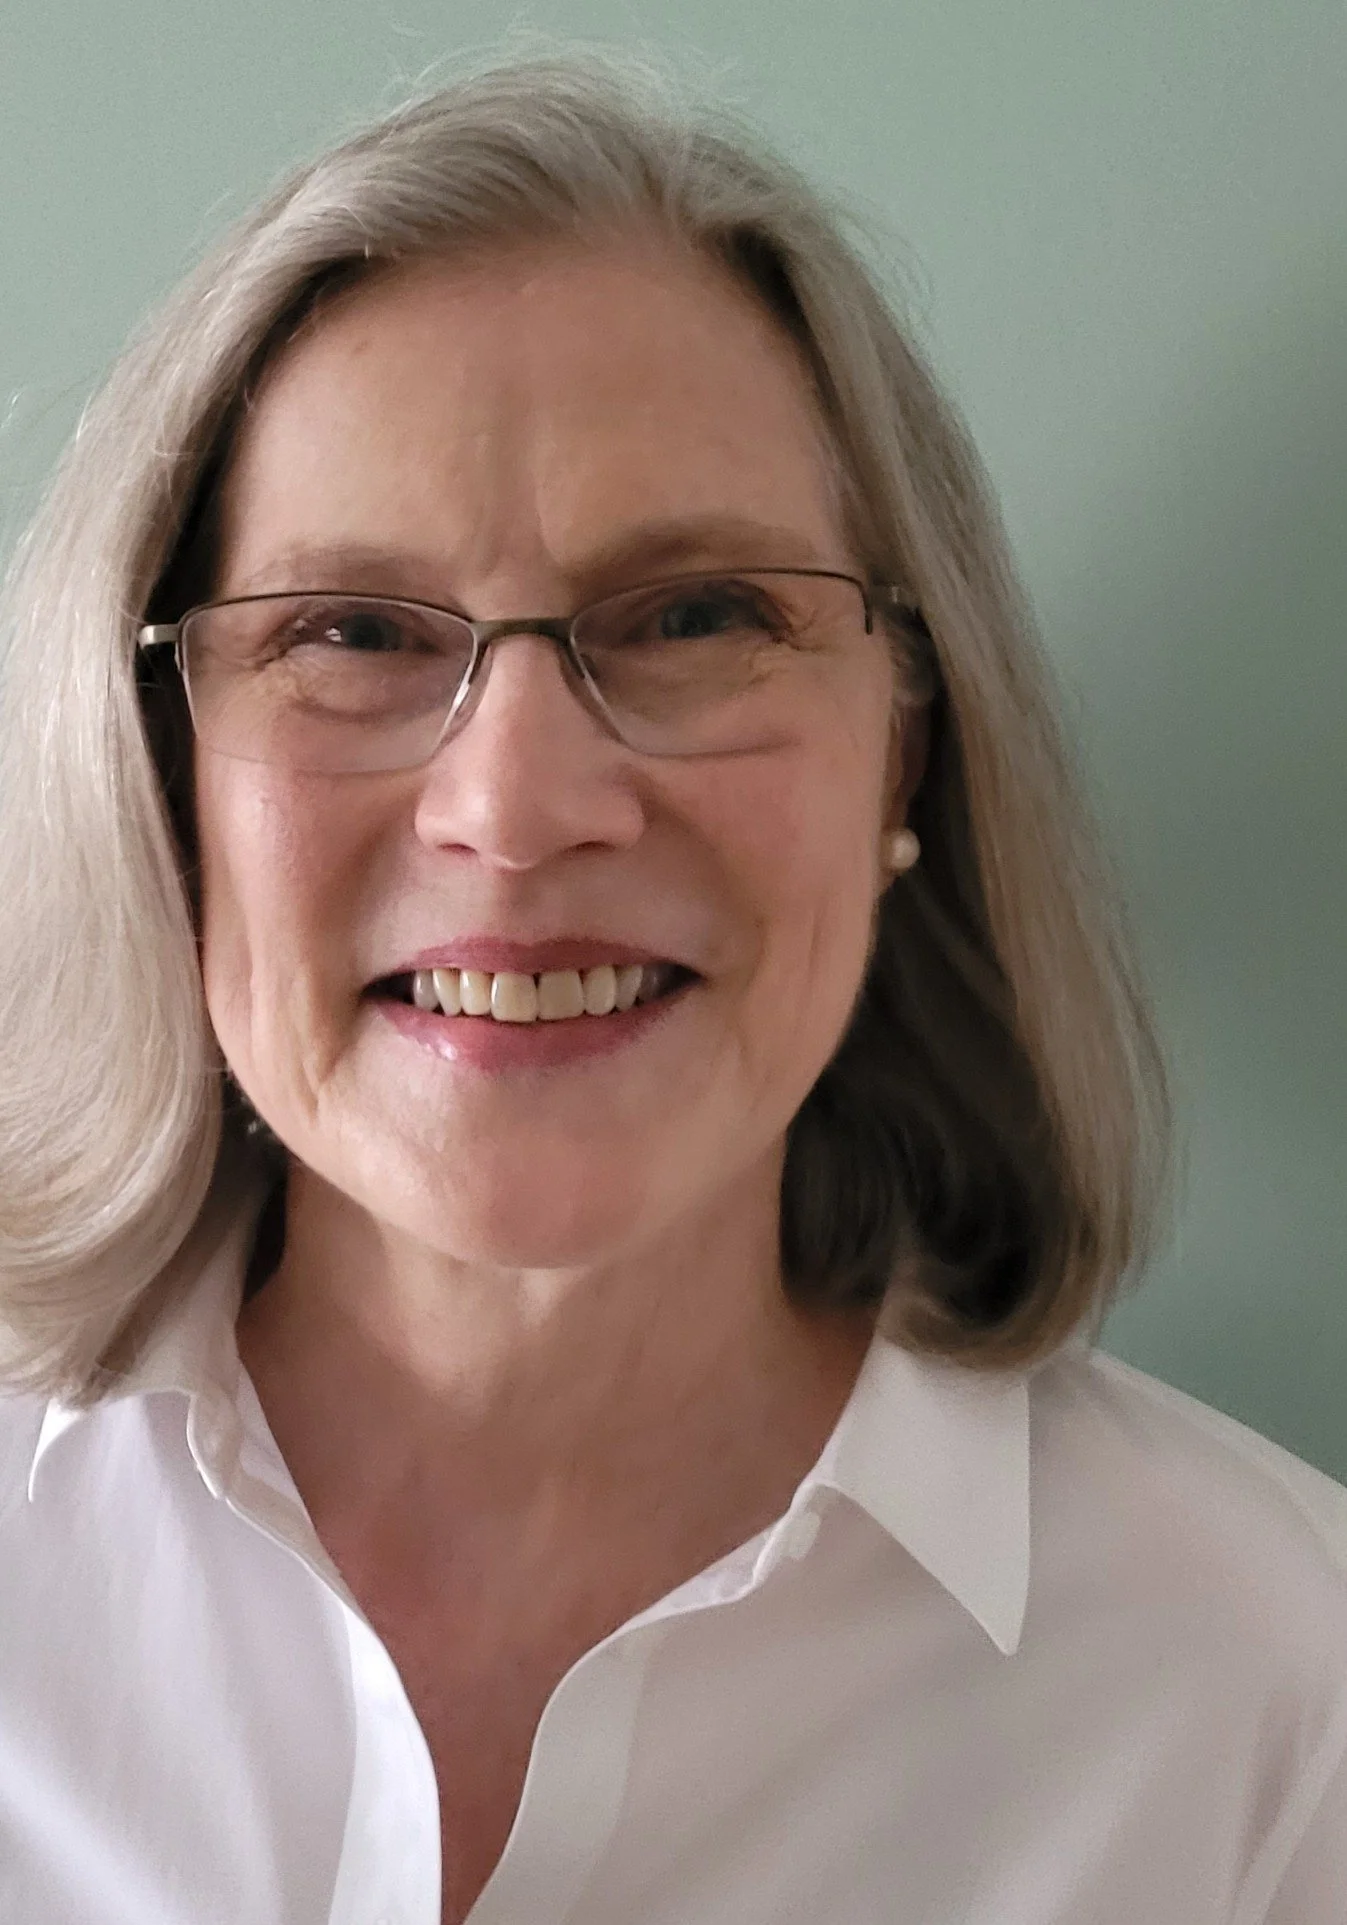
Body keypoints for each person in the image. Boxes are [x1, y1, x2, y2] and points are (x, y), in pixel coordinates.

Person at [0, 50, 1343, 1925]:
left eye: (700, 616)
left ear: (904, 762)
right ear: (158, 780)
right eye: (355, 634)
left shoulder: (1279, 1707)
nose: (518, 807)